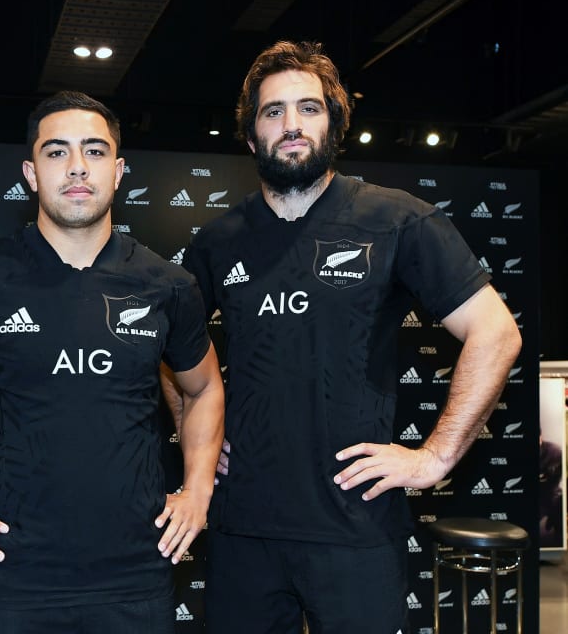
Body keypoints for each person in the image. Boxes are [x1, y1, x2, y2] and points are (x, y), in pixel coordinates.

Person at [179, 41, 522, 632]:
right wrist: (196, 438)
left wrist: (435, 457)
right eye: (273, 111)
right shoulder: (216, 241)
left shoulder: (396, 219)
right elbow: (172, 351)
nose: (291, 125)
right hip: (243, 531)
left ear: (334, 121)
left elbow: (495, 332)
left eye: (309, 109)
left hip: (356, 529)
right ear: (251, 132)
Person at [0, 90, 225, 634]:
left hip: (136, 571)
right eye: (56, 152)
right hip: (14, 571)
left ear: (118, 171)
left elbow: (205, 387)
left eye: (94, 151)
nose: (76, 167)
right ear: (30, 171)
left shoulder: (167, 284)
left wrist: (198, 491)